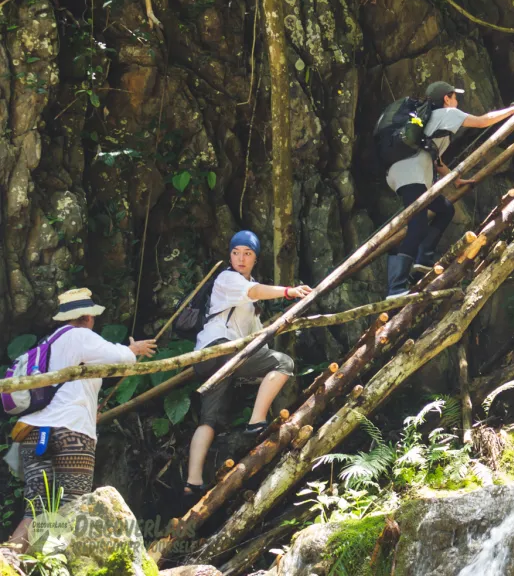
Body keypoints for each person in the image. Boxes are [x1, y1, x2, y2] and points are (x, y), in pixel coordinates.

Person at [4, 289, 157, 551]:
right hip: (71, 434)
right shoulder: (79, 335)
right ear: (87, 316)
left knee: (36, 509)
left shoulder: (49, 342)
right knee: (71, 506)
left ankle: (8, 561)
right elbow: (120, 358)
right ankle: (53, 561)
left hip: (33, 433)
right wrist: (133, 349)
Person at [181, 230, 311, 505]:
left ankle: (192, 483)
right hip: (220, 350)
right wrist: (288, 291)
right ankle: (256, 422)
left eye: (247, 253)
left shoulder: (250, 300)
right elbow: (255, 291)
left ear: (255, 258)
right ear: (230, 256)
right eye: (236, 253)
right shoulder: (227, 278)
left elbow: (258, 341)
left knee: (209, 421)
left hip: (213, 360)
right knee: (284, 363)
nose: (240, 258)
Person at [385, 81, 514, 296]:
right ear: (446, 99)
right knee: (417, 225)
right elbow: (484, 121)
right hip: (411, 174)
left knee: (445, 209)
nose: (457, 101)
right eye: (454, 97)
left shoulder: (429, 120)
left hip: (403, 173)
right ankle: (396, 287)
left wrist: (455, 180)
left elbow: (436, 160)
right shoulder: (447, 113)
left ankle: (423, 260)